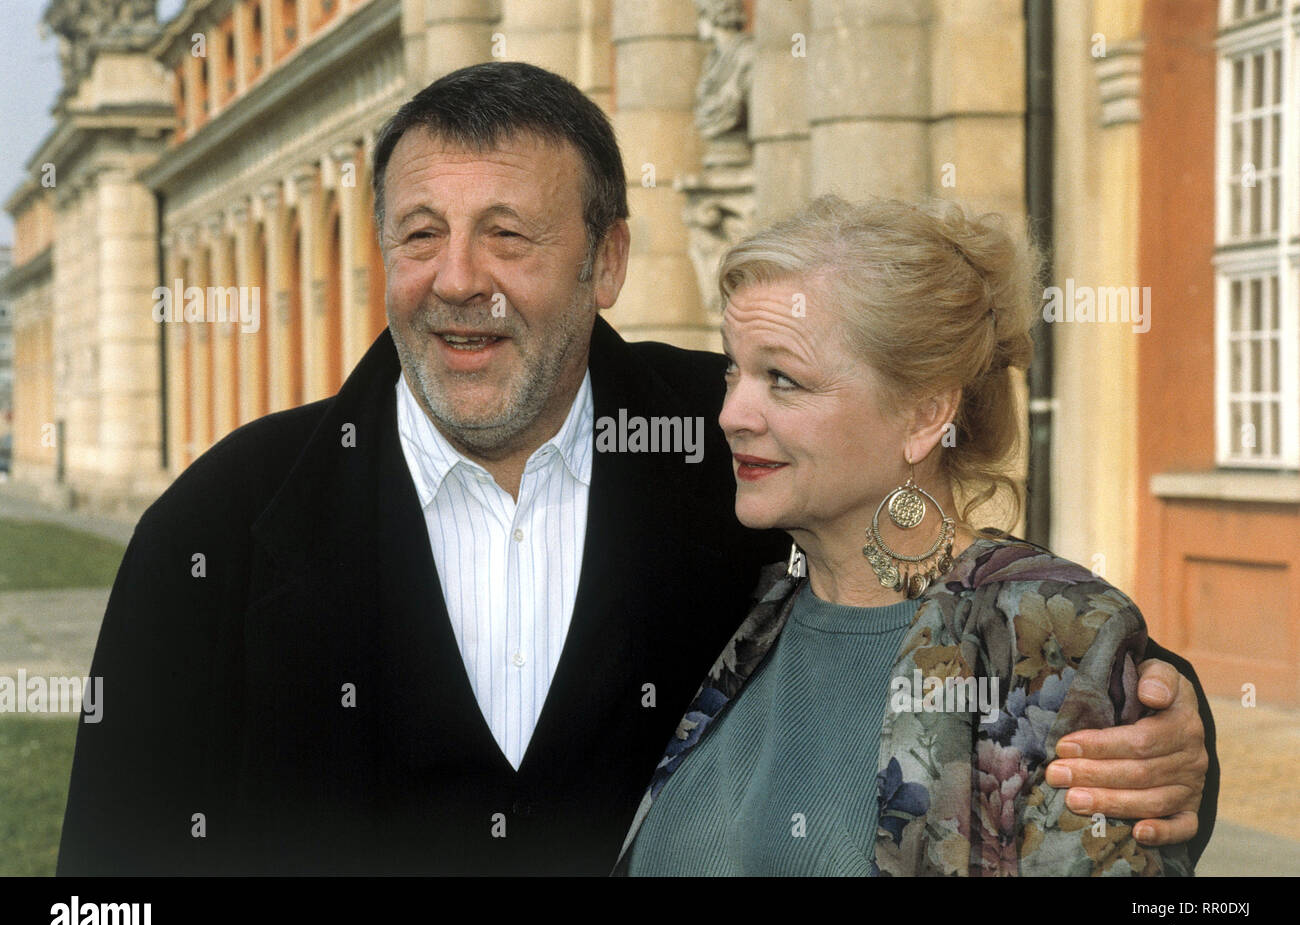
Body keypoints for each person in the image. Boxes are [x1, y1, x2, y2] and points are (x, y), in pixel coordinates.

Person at [58, 63, 1215, 876]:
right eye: (419, 234)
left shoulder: (732, 449)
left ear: (606, 260)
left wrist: (1168, 726)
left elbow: (987, 609)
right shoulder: (216, 525)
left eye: (508, 234)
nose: (457, 277)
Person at [617, 195, 1205, 876]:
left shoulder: (1045, 635)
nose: (731, 414)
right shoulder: (756, 616)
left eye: (783, 378)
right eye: (733, 370)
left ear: (925, 415)